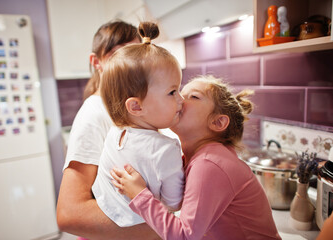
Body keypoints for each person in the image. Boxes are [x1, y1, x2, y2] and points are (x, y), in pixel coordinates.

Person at [111, 75, 282, 240]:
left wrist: (139, 194)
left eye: (193, 96)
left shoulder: (210, 163)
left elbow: (184, 236)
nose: (178, 99)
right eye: (177, 93)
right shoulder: (202, 157)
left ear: (218, 123)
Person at [56, 20, 161, 240]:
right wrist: (164, 226)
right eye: (116, 55)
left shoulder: (130, 107)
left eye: (134, 55)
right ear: (96, 62)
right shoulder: (94, 114)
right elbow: (69, 214)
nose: (128, 65)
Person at [93, 21, 185, 227]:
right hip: (141, 227)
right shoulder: (166, 149)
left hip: (109, 217)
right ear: (136, 107)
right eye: (172, 92)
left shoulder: (115, 133)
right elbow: (174, 204)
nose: (181, 99)